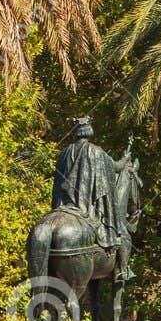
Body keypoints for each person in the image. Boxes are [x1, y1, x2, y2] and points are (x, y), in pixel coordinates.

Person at [51, 116, 132, 279]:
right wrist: (126, 157)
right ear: (89, 131)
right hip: (87, 209)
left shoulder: (65, 152)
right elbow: (116, 167)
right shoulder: (96, 151)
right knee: (122, 232)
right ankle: (122, 270)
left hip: (64, 205)